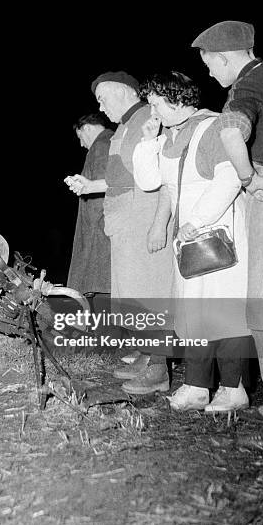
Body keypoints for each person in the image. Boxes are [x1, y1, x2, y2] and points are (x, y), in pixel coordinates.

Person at [191, 21, 263, 445]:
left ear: (226, 57)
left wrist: (249, 179)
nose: (211, 74)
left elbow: (232, 130)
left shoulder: (246, 87)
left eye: (210, 65)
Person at [133, 71, 252, 412]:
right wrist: (148, 140)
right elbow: (152, 182)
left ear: (179, 99)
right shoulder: (172, 135)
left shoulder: (211, 127)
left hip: (217, 233)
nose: (152, 111)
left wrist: (196, 221)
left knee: (223, 312)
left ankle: (234, 390)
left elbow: (229, 180)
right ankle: (197, 387)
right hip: (190, 238)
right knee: (194, 313)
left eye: (156, 104)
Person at [65, 71, 173, 395]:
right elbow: (123, 179)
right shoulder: (124, 128)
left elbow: (162, 175)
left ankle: (158, 370)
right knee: (132, 297)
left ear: (124, 91)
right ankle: (145, 358)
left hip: (143, 223)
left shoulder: (146, 119)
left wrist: (160, 223)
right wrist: (91, 185)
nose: (100, 105)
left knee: (149, 296)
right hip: (124, 227)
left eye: (103, 98)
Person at [66, 113, 113, 297]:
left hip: (100, 231)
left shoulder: (101, 145)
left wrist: (91, 232)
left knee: (100, 284)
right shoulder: (109, 141)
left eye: (80, 137)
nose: (81, 144)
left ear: (87, 128)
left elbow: (104, 185)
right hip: (101, 230)